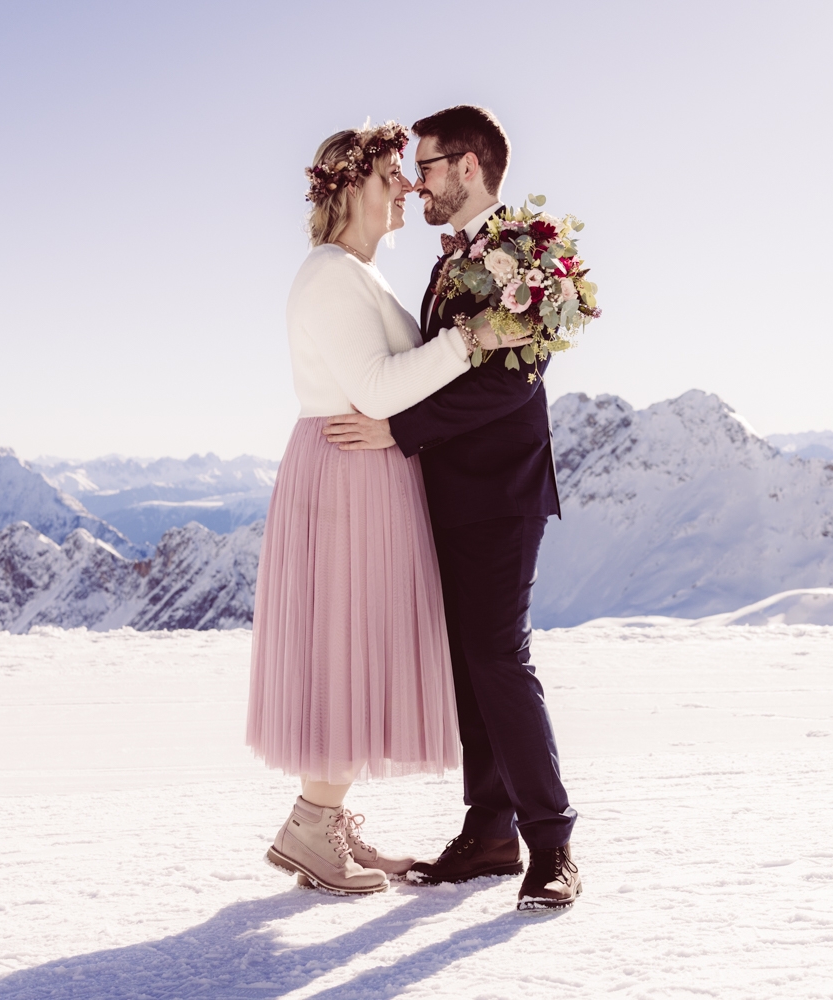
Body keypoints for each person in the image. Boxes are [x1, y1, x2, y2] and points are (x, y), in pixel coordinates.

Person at [247, 120, 526, 895]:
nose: (407, 188)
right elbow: (377, 388)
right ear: (354, 189)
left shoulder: (358, 273)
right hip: (345, 471)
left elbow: (398, 378)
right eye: (392, 176)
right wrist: (474, 339)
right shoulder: (333, 273)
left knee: (353, 640)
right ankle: (311, 825)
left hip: (364, 469)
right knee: (342, 641)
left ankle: (318, 821)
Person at [322, 105, 582, 911]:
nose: (415, 180)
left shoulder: (526, 254)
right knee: (473, 664)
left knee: (500, 658)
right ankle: (490, 833)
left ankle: (553, 845)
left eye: (427, 165)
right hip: (448, 493)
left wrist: (397, 428)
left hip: (502, 493)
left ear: (469, 167)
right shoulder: (452, 264)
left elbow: (511, 380)